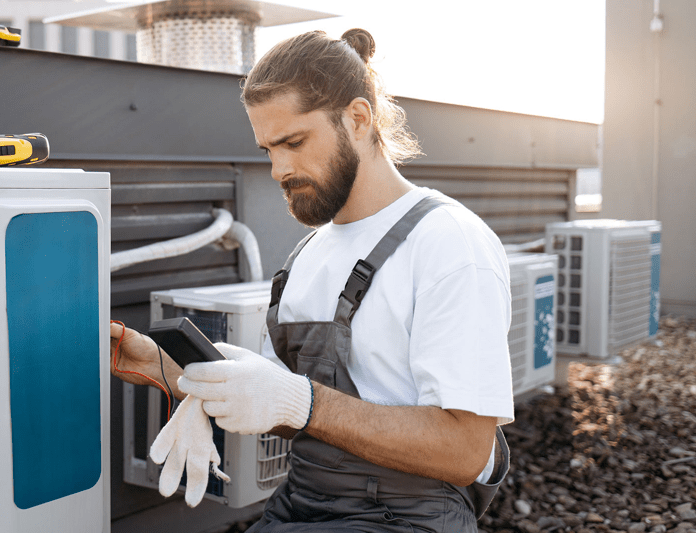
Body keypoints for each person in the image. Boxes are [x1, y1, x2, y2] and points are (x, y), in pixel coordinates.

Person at [110, 28, 514, 532]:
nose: (279, 168)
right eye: (267, 150)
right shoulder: (308, 254)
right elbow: (281, 409)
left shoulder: (448, 244)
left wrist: (303, 401)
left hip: (407, 518)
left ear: (359, 119)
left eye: (294, 142)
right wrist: (171, 369)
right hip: (301, 505)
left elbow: (464, 449)